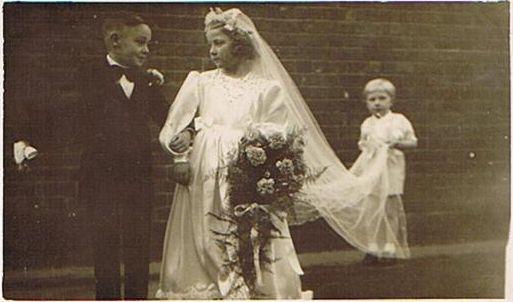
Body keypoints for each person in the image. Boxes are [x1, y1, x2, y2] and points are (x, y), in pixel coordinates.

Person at [157, 7, 412, 299]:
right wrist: (180, 150)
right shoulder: (201, 82)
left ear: (239, 45)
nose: (213, 50)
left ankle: (253, 288)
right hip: (204, 170)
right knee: (204, 228)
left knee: (248, 230)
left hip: (246, 170)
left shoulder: (267, 89)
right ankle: (208, 288)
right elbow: (177, 125)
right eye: (211, 44)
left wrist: (256, 153)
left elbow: (278, 133)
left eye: (219, 43)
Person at [12, 14, 192, 300]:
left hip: (138, 179)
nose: (146, 50)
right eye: (140, 42)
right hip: (100, 179)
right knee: (105, 247)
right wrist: (26, 141)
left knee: (138, 248)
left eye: (149, 44)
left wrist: (188, 131)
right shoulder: (87, 76)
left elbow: (169, 119)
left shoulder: (146, 82)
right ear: (115, 41)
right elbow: (56, 113)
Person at [356, 79, 418, 264]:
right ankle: (373, 246)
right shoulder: (367, 123)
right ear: (367, 102)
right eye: (372, 99)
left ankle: (391, 246)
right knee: (372, 208)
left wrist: (396, 143)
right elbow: (362, 143)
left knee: (391, 207)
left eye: (382, 98)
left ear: (391, 101)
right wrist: (369, 146)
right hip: (372, 169)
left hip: (391, 168)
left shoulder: (399, 120)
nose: (377, 103)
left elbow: (413, 142)